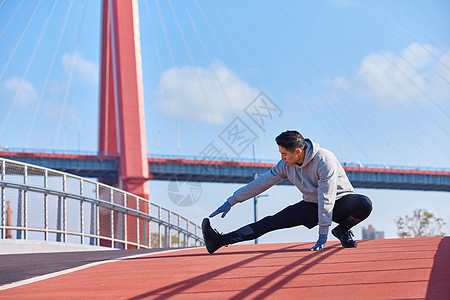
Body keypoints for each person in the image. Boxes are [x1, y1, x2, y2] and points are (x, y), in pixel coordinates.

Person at [202, 130, 372, 254]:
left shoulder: (323, 160)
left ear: (297, 152)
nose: (282, 158)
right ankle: (219, 241)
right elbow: (262, 182)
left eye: (284, 154)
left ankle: (342, 230)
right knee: (270, 222)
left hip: (340, 201)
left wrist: (322, 236)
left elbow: (326, 197)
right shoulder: (285, 165)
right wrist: (232, 200)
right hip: (311, 204)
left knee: (364, 204)